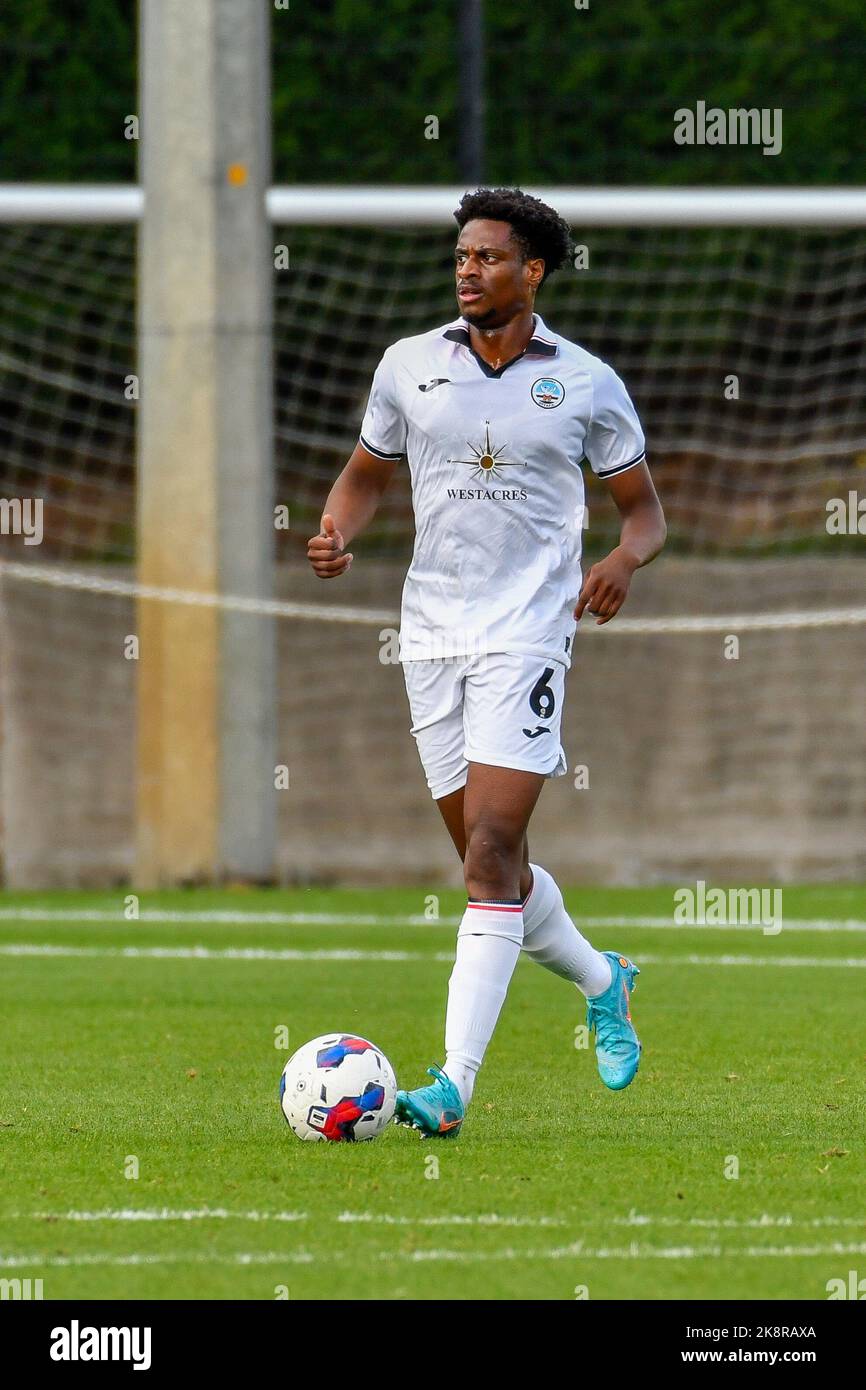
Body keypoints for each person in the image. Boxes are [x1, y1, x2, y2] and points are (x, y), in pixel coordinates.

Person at [307, 187, 666, 1139]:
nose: (468, 270)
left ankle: (452, 1087)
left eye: (488, 257)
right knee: (488, 862)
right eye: (461, 256)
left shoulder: (585, 382)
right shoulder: (409, 365)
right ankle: (603, 978)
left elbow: (645, 512)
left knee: (490, 857)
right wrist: (338, 530)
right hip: (430, 634)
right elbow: (366, 475)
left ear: (532, 271)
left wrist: (623, 561)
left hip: (529, 633)